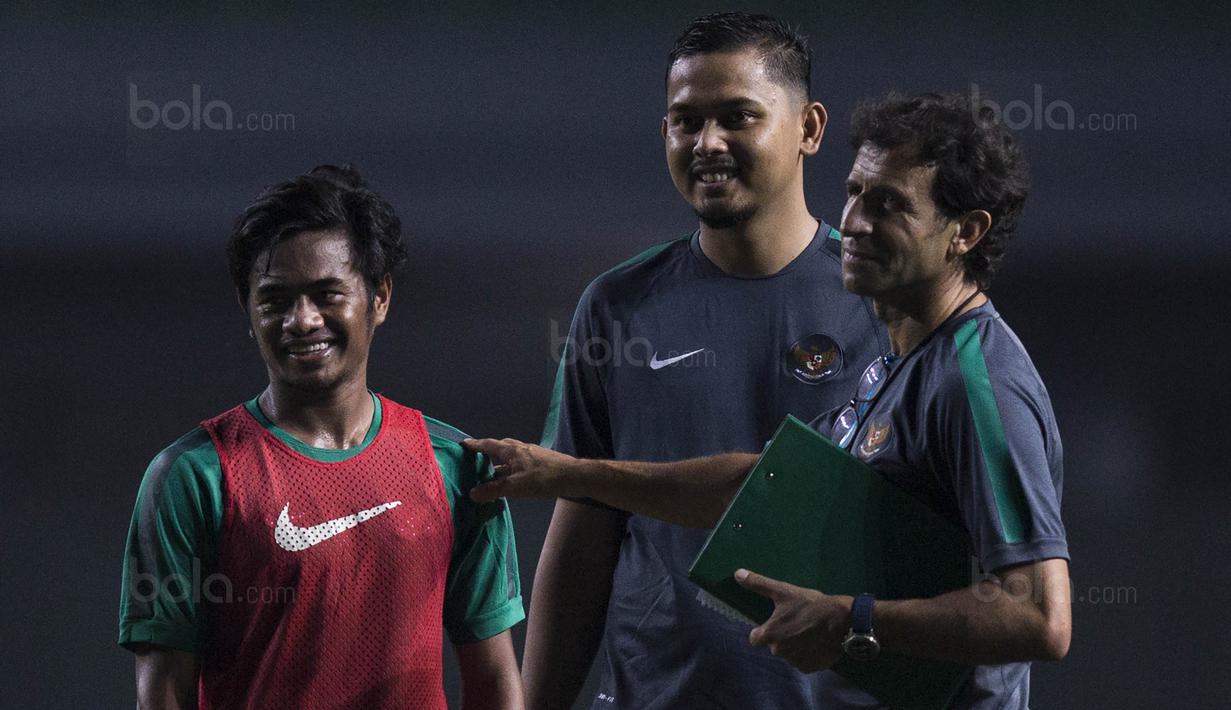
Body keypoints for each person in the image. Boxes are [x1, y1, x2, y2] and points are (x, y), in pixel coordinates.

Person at [468, 92, 1071, 709]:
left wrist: (854, 618)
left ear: (965, 232)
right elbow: (759, 486)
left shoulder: (975, 381)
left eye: (890, 205)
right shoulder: (896, 366)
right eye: (855, 192)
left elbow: (1039, 615)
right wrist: (572, 474)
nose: (855, 221)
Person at [525, 11, 888, 710]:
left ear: (809, 128)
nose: (707, 143)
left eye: (738, 117)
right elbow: (583, 535)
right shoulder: (617, 306)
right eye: (686, 121)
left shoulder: (884, 303)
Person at [117, 165, 525, 709]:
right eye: (275, 299)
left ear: (379, 297)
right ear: (248, 310)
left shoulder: (456, 467)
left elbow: (496, 681)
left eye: (327, 294)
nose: (302, 320)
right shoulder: (192, 477)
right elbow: (163, 693)